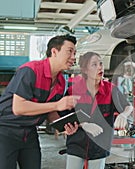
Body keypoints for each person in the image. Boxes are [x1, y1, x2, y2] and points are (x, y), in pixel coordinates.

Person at [0, 34, 80, 169]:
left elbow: (50, 112)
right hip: (5, 131)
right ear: (54, 51)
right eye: (69, 51)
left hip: (29, 133)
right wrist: (57, 105)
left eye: (74, 53)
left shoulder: (62, 81)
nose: (73, 57)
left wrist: (63, 126)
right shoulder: (30, 70)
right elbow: (18, 108)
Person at [62, 52, 133, 169]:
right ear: (84, 70)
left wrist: (124, 115)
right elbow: (64, 117)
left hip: (100, 145)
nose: (100, 67)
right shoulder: (73, 90)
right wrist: (83, 124)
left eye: (101, 64)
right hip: (77, 143)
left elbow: (128, 106)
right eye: (94, 65)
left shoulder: (111, 90)